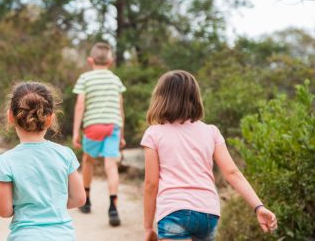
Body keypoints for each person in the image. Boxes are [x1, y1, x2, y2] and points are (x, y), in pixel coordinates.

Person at [141, 70, 278, 241]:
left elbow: (151, 184)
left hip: (173, 210)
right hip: (208, 213)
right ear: (195, 98)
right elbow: (233, 173)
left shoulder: (154, 134)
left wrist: (147, 227)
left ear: (160, 98)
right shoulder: (211, 132)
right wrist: (258, 207)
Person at [0, 82, 86, 240]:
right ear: (50, 119)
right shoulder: (65, 154)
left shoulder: (6, 161)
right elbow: (79, 198)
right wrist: (52, 205)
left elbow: (3, 210)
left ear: (10, 116)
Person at [72, 42, 126, 226]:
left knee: (88, 161)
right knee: (111, 166)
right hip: (113, 126)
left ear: (90, 60)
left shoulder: (85, 78)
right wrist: (122, 134)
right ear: (110, 61)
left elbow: (80, 106)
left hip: (93, 126)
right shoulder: (116, 80)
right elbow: (120, 110)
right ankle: (113, 207)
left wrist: (75, 132)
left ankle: (86, 200)